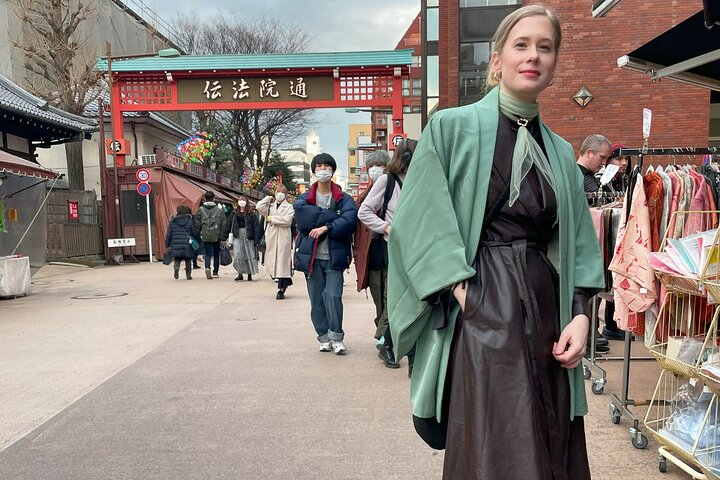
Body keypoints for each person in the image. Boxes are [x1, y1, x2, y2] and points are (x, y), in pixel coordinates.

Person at [387, 5, 605, 479]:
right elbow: (420, 216)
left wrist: (581, 314)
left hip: (547, 306)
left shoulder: (563, 152)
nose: (533, 56)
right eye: (521, 45)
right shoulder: (451, 128)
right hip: (483, 302)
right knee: (493, 434)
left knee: (549, 432)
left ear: (553, 62)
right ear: (497, 58)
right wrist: (464, 292)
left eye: (544, 47)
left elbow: (577, 242)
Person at [359, 141, 417, 373]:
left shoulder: (421, 179)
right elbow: (364, 211)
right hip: (393, 249)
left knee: (415, 300)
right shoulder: (387, 180)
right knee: (401, 299)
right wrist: (386, 228)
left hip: (418, 247)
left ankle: (394, 346)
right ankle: (398, 349)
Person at [294, 153, 358, 355]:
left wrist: (325, 227)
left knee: (333, 296)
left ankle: (336, 336)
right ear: (314, 171)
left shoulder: (343, 198)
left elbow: (349, 222)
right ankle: (323, 337)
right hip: (311, 258)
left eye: (327, 166)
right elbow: (304, 222)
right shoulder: (304, 199)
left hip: (334, 257)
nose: (323, 169)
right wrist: (334, 218)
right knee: (317, 300)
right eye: (319, 166)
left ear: (333, 170)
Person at [352, 149, 391, 348]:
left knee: (390, 294)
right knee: (378, 297)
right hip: (371, 252)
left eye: (381, 166)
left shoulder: (393, 190)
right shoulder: (362, 198)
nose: (376, 170)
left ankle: (383, 334)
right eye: (372, 167)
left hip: (390, 248)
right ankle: (384, 331)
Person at [256, 185, 295, 299]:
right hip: (272, 236)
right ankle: (279, 280)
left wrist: (272, 219)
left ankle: (281, 288)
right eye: (278, 192)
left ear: (286, 194)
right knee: (274, 262)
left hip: (283, 236)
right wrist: (268, 198)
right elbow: (259, 206)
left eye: (282, 192)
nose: (280, 194)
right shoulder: (269, 206)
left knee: (283, 262)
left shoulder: (289, 207)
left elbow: (287, 221)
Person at [223, 195, 259, 281]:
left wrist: (256, 239)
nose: (241, 201)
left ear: (246, 201)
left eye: (243, 200)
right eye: (240, 200)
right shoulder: (234, 213)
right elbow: (228, 224)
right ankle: (240, 273)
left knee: (249, 254)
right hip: (237, 234)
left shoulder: (251, 213)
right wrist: (223, 237)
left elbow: (256, 226)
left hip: (248, 236)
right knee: (238, 254)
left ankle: (249, 274)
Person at [194, 191, 225, 280]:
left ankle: (207, 267)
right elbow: (223, 223)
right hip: (217, 234)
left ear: (204, 198)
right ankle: (215, 272)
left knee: (207, 253)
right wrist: (222, 234)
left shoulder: (200, 210)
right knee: (216, 254)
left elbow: (197, 223)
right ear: (213, 198)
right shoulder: (219, 210)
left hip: (205, 234)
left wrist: (199, 232)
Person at [165, 205, 199, 280]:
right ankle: (188, 275)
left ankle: (176, 268)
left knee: (177, 258)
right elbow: (194, 232)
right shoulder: (189, 220)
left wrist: (167, 244)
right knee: (188, 259)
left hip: (176, 244)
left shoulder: (172, 222)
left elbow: (169, 234)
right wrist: (197, 239)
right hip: (187, 244)